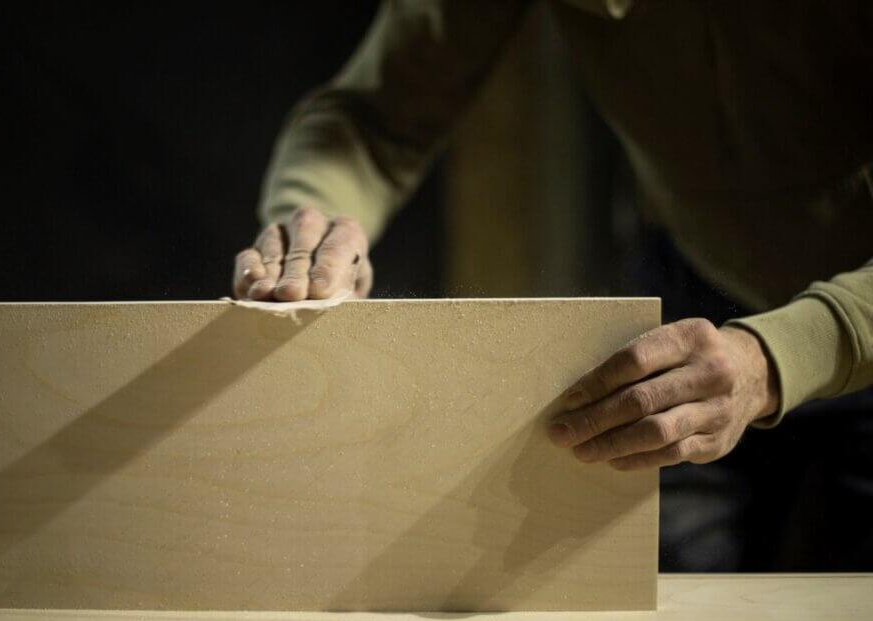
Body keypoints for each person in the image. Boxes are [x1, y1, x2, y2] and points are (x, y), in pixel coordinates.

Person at [231, 0, 873, 570]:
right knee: (662, 589)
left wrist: (779, 355)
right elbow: (371, 118)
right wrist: (315, 219)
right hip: (695, 293)